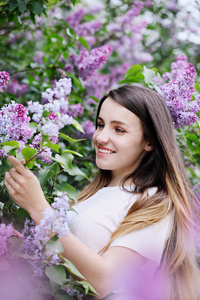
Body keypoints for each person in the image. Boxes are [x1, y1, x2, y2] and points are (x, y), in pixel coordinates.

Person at [4, 85, 200, 300]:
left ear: (149, 141)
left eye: (119, 129)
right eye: (100, 125)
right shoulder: (92, 195)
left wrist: (39, 209)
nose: (101, 137)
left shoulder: (155, 202)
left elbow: (105, 281)